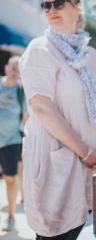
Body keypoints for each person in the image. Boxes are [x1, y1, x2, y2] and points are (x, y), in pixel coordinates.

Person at [18, 0, 96, 239]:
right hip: (59, 164)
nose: (51, 10)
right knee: (57, 232)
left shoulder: (92, 55)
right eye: (46, 5)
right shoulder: (40, 50)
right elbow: (42, 107)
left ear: (77, 8)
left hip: (95, 166)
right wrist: (85, 152)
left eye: (58, 3)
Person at [0, 56, 28, 231]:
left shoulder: (21, 91)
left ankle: (10, 217)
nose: (15, 70)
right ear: (6, 69)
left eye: (19, 68)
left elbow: (26, 118)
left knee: (10, 179)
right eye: (13, 67)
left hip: (11, 141)